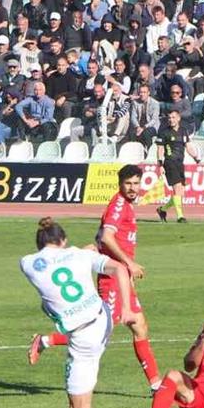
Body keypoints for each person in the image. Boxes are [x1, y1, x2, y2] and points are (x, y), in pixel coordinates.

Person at [20, 218, 137, 408]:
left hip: (83, 338)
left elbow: (51, 261)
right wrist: (128, 308)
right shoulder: (81, 255)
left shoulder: (26, 263)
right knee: (60, 301)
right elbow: (120, 268)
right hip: (103, 319)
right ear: (63, 241)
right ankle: (47, 339)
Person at [29, 166, 162, 394]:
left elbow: (102, 237)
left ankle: (156, 384)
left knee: (140, 326)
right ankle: (46, 340)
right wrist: (128, 263)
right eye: (128, 184)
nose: (132, 188)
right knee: (101, 331)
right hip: (112, 277)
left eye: (136, 184)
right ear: (120, 183)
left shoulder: (126, 205)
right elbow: (107, 237)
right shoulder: (118, 205)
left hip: (121, 276)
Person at [155, 108, 196, 224]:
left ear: (178, 118)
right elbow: (160, 148)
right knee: (177, 188)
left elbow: (188, 146)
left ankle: (162, 209)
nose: (171, 120)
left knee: (180, 193)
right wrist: (160, 164)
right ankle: (180, 216)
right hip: (169, 162)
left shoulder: (183, 131)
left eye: (173, 117)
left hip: (180, 163)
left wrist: (196, 157)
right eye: (169, 118)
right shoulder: (164, 132)